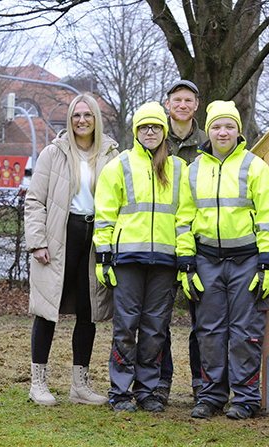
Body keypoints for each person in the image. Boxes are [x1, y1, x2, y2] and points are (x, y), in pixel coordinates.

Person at [175, 100, 269, 420]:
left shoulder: (254, 166)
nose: (223, 132)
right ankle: (211, 396)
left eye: (229, 126)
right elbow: (183, 220)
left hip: (247, 262)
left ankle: (246, 398)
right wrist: (186, 263)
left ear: (239, 131)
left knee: (245, 332)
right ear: (208, 131)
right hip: (206, 261)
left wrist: (266, 262)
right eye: (217, 126)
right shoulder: (193, 170)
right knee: (208, 332)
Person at [24, 94, 118, 407]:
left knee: (87, 311)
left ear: (96, 119)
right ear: (70, 118)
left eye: (87, 115)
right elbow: (35, 200)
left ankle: (80, 385)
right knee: (48, 310)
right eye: (76, 115)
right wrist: (38, 242)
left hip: (95, 239)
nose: (81, 120)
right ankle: (38, 383)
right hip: (60, 237)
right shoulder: (53, 153)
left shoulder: (110, 153)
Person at [93, 102, 185, 413]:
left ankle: (147, 392)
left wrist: (185, 258)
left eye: (156, 126)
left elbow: (185, 217)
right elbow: (104, 215)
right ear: (136, 131)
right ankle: (120, 392)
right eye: (144, 126)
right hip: (127, 261)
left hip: (164, 262)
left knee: (155, 328)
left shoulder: (178, 170)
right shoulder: (118, 166)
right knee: (125, 327)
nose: (150, 131)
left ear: (164, 131)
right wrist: (103, 256)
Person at [154, 79, 209, 405]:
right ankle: (161, 382)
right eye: (177, 100)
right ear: (168, 103)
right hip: (160, 240)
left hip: (197, 242)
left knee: (201, 321)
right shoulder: (155, 138)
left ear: (196, 105)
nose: (183, 105)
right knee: (158, 320)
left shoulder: (209, 140)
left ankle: (201, 384)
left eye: (189, 100)